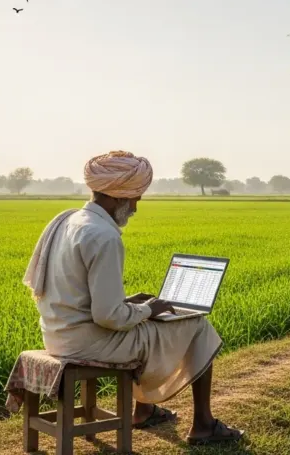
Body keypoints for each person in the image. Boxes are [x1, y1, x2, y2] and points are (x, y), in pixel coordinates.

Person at [22, 150, 244, 446]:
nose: (137, 207)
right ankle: (203, 424)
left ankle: (145, 409)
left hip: (58, 335)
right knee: (198, 326)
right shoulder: (104, 235)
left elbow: (79, 297)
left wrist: (132, 304)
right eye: (136, 198)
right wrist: (146, 309)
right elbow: (108, 317)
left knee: (144, 324)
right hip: (88, 341)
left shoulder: (67, 220)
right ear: (119, 197)